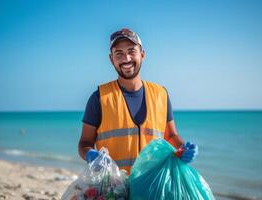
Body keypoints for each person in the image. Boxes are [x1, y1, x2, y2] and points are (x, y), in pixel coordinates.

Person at [78, 28, 198, 174]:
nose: (126, 58)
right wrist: (91, 155)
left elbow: (171, 135)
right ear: (111, 59)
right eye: (119, 53)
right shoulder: (99, 98)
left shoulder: (161, 94)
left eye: (131, 51)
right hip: (115, 188)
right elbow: (85, 143)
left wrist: (182, 148)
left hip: (153, 183)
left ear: (142, 54)